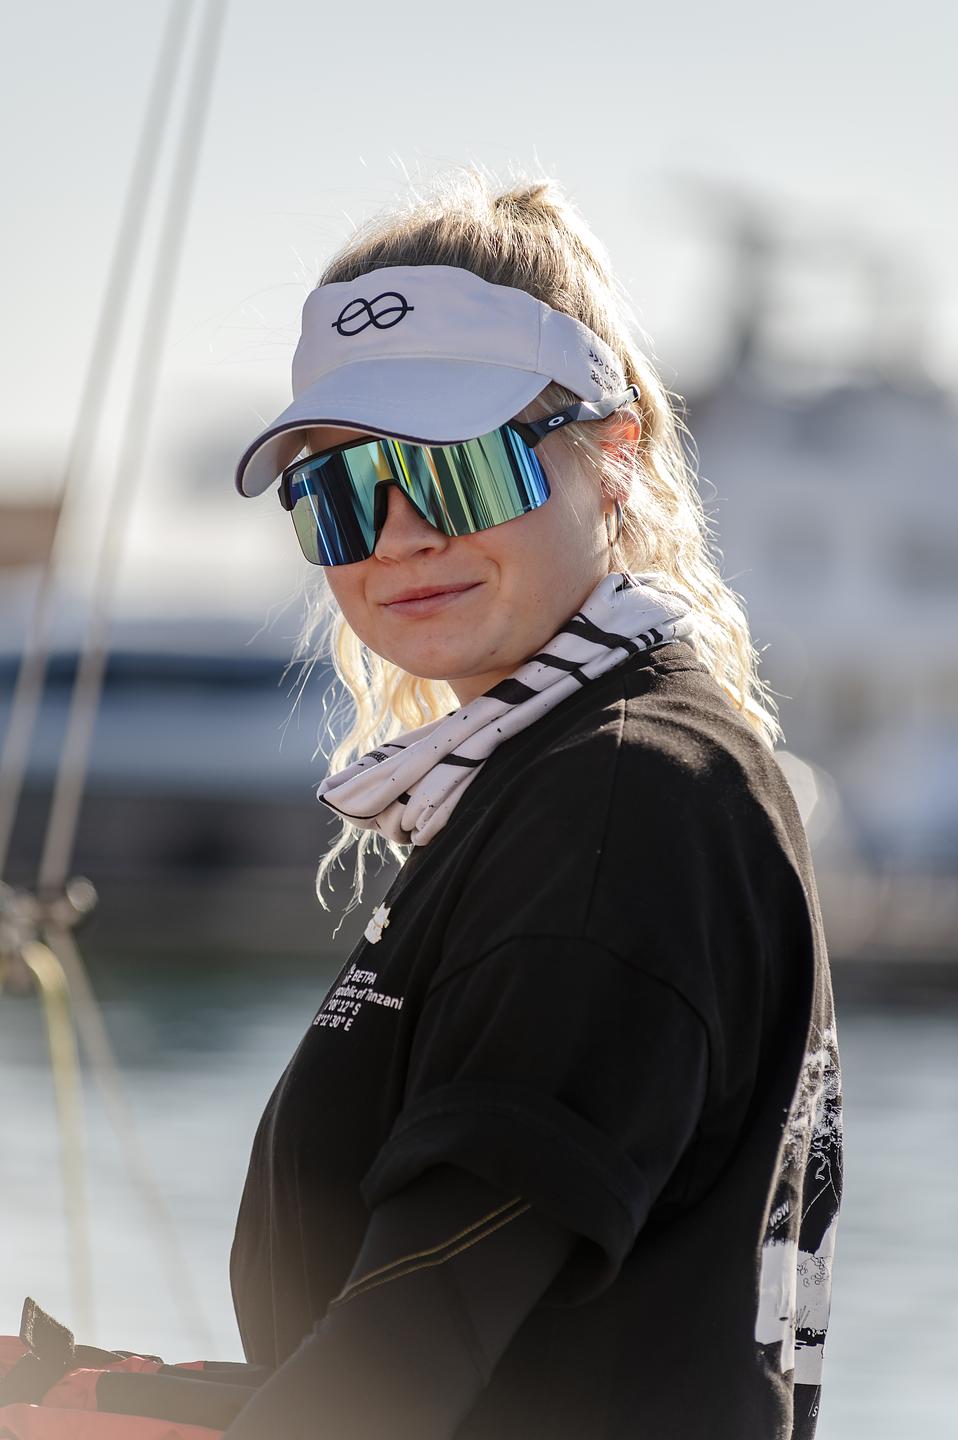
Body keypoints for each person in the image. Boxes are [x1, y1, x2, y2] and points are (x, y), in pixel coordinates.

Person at [222, 167, 844, 1440]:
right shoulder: (569, 772)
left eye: (456, 470)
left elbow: (411, 1349)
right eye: (339, 491)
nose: (397, 535)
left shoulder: (622, 800)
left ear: (612, 454)